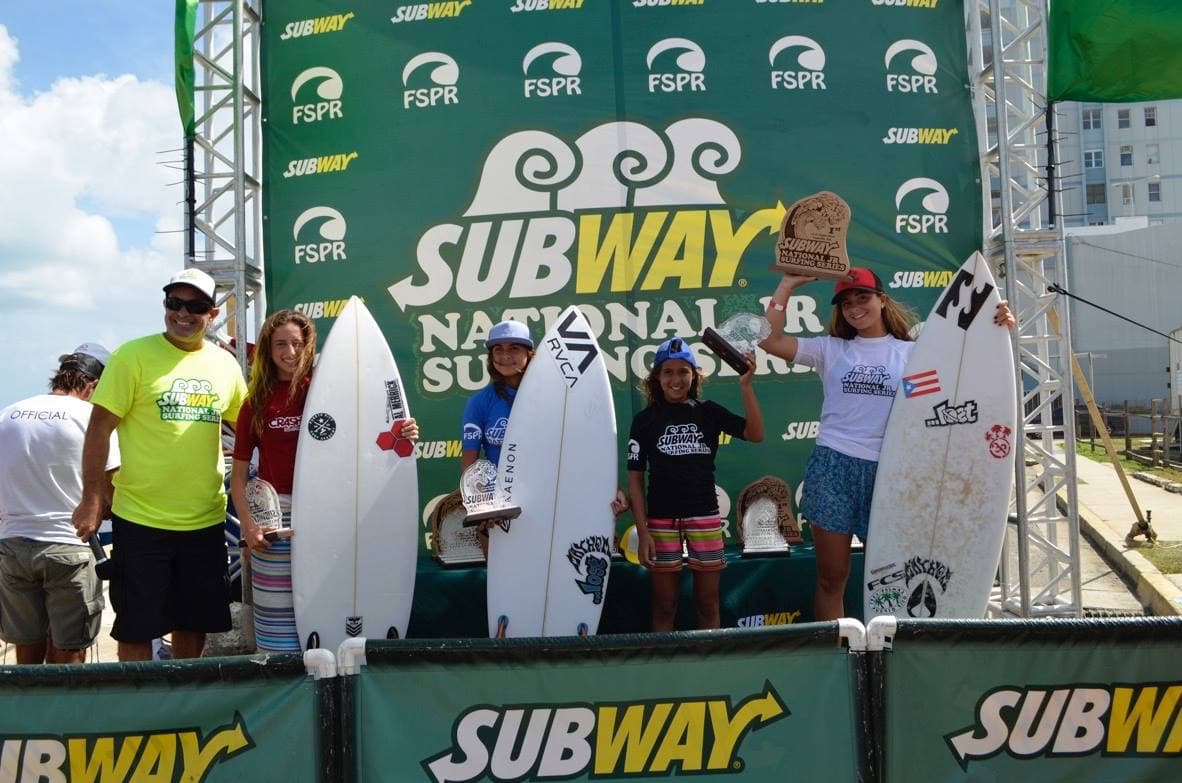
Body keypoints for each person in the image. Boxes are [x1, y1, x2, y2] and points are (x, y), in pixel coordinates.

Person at [759, 268, 1014, 620]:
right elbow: (768, 340)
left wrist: (996, 326)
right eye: (846, 302)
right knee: (832, 577)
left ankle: (891, 655)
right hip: (834, 467)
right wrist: (786, 286)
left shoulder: (914, 354)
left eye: (862, 297)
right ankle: (835, 660)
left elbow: (969, 376)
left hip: (894, 470)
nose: (854, 307)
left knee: (896, 581)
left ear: (882, 300)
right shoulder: (831, 349)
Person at [72, 268, 248, 661]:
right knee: (137, 625)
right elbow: (99, 430)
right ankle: (141, 708)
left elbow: (252, 431)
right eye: (175, 303)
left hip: (204, 520)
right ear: (165, 305)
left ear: (213, 314)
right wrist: (92, 498)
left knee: (193, 622)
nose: (183, 313)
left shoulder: (226, 366)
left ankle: (182, 707)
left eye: (196, 306)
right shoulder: (132, 355)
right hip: (140, 520)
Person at [229, 309, 418, 651]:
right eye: (280, 345)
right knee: (277, 628)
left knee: (328, 609)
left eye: (297, 344)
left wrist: (403, 430)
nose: (290, 352)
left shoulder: (329, 392)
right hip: (277, 515)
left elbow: (371, 432)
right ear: (268, 351)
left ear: (310, 346)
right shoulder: (255, 403)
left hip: (328, 511)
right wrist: (248, 525)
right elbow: (239, 474)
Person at [627, 337, 763, 631]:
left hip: (705, 517)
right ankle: (664, 664)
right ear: (657, 378)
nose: (676, 380)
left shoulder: (708, 411)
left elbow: (755, 434)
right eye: (668, 372)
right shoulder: (644, 420)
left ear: (694, 375)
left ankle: (710, 669)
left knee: (708, 601)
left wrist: (746, 386)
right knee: (664, 604)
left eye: (683, 372)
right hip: (661, 522)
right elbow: (635, 480)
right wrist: (643, 531)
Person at [0, 344, 119, 663]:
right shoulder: (93, 419)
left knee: (25, 650)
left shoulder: (8, 414)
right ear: (94, 384)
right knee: (69, 653)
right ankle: (64, 713)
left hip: (13, 546)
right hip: (70, 547)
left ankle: (28, 712)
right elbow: (112, 490)